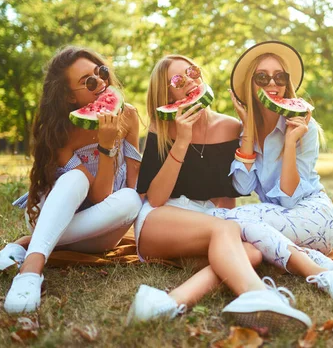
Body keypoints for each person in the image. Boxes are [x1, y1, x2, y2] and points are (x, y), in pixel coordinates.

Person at [127, 55, 312, 333]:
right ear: (167, 94)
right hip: (159, 221)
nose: (190, 80)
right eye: (178, 80)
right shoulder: (161, 127)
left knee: (250, 253)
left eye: (192, 71)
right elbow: (154, 199)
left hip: (209, 223)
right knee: (226, 231)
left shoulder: (229, 128)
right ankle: (258, 295)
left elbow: (227, 200)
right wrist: (182, 141)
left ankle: (166, 303)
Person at [0, 46, 142, 313]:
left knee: (132, 199)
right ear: (68, 98)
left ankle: (28, 243)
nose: (101, 84)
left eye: (101, 73)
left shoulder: (129, 115)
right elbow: (95, 194)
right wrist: (106, 148)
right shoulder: (61, 130)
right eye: (88, 81)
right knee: (76, 178)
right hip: (50, 210)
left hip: (103, 225)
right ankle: (30, 270)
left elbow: (129, 184)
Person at [226, 40, 333, 301]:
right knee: (234, 226)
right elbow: (242, 186)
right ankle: (319, 267)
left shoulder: (303, 127)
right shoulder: (245, 131)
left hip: (312, 214)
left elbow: (288, 197)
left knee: (224, 219)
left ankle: (316, 269)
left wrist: (289, 141)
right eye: (262, 77)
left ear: (287, 83)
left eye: (279, 77)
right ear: (250, 85)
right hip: (278, 224)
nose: (272, 84)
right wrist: (248, 131)